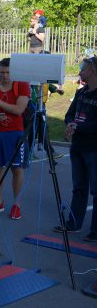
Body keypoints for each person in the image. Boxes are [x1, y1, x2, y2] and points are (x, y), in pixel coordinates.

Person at [55, 57, 97, 242]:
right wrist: (70, 124)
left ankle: (95, 230)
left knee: (96, 190)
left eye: (83, 69)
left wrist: (78, 128)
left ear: (93, 71)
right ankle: (73, 223)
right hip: (78, 146)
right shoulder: (81, 93)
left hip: (93, 148)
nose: (80, 72)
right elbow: (69, 114)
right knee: (79, 186)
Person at [0, 57, 30, 220]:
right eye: (2, 72)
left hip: (15, 133)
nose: (5, 75)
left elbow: (18, 110)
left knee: (16, 169)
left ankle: (17, 204)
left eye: (8, 72)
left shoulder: (22, 86)